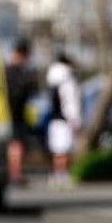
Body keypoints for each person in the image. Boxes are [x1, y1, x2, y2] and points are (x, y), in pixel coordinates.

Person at [44, 53, 81, 188]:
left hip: (53, 120)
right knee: (64, 150)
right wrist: (75, 120)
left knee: (57, 151)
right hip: (65, 120)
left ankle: (56, 174)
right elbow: (71, 103)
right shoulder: (67, 80)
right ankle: (63, 175)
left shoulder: (52, 78)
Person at [3, 41, 36, 186]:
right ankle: (15, 174)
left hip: (5, 113)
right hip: (15, 113)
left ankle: (14, 173)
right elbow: (24, 92)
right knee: (16, 145)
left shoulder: (4, 70)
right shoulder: (18, 72)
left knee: (14, 144)